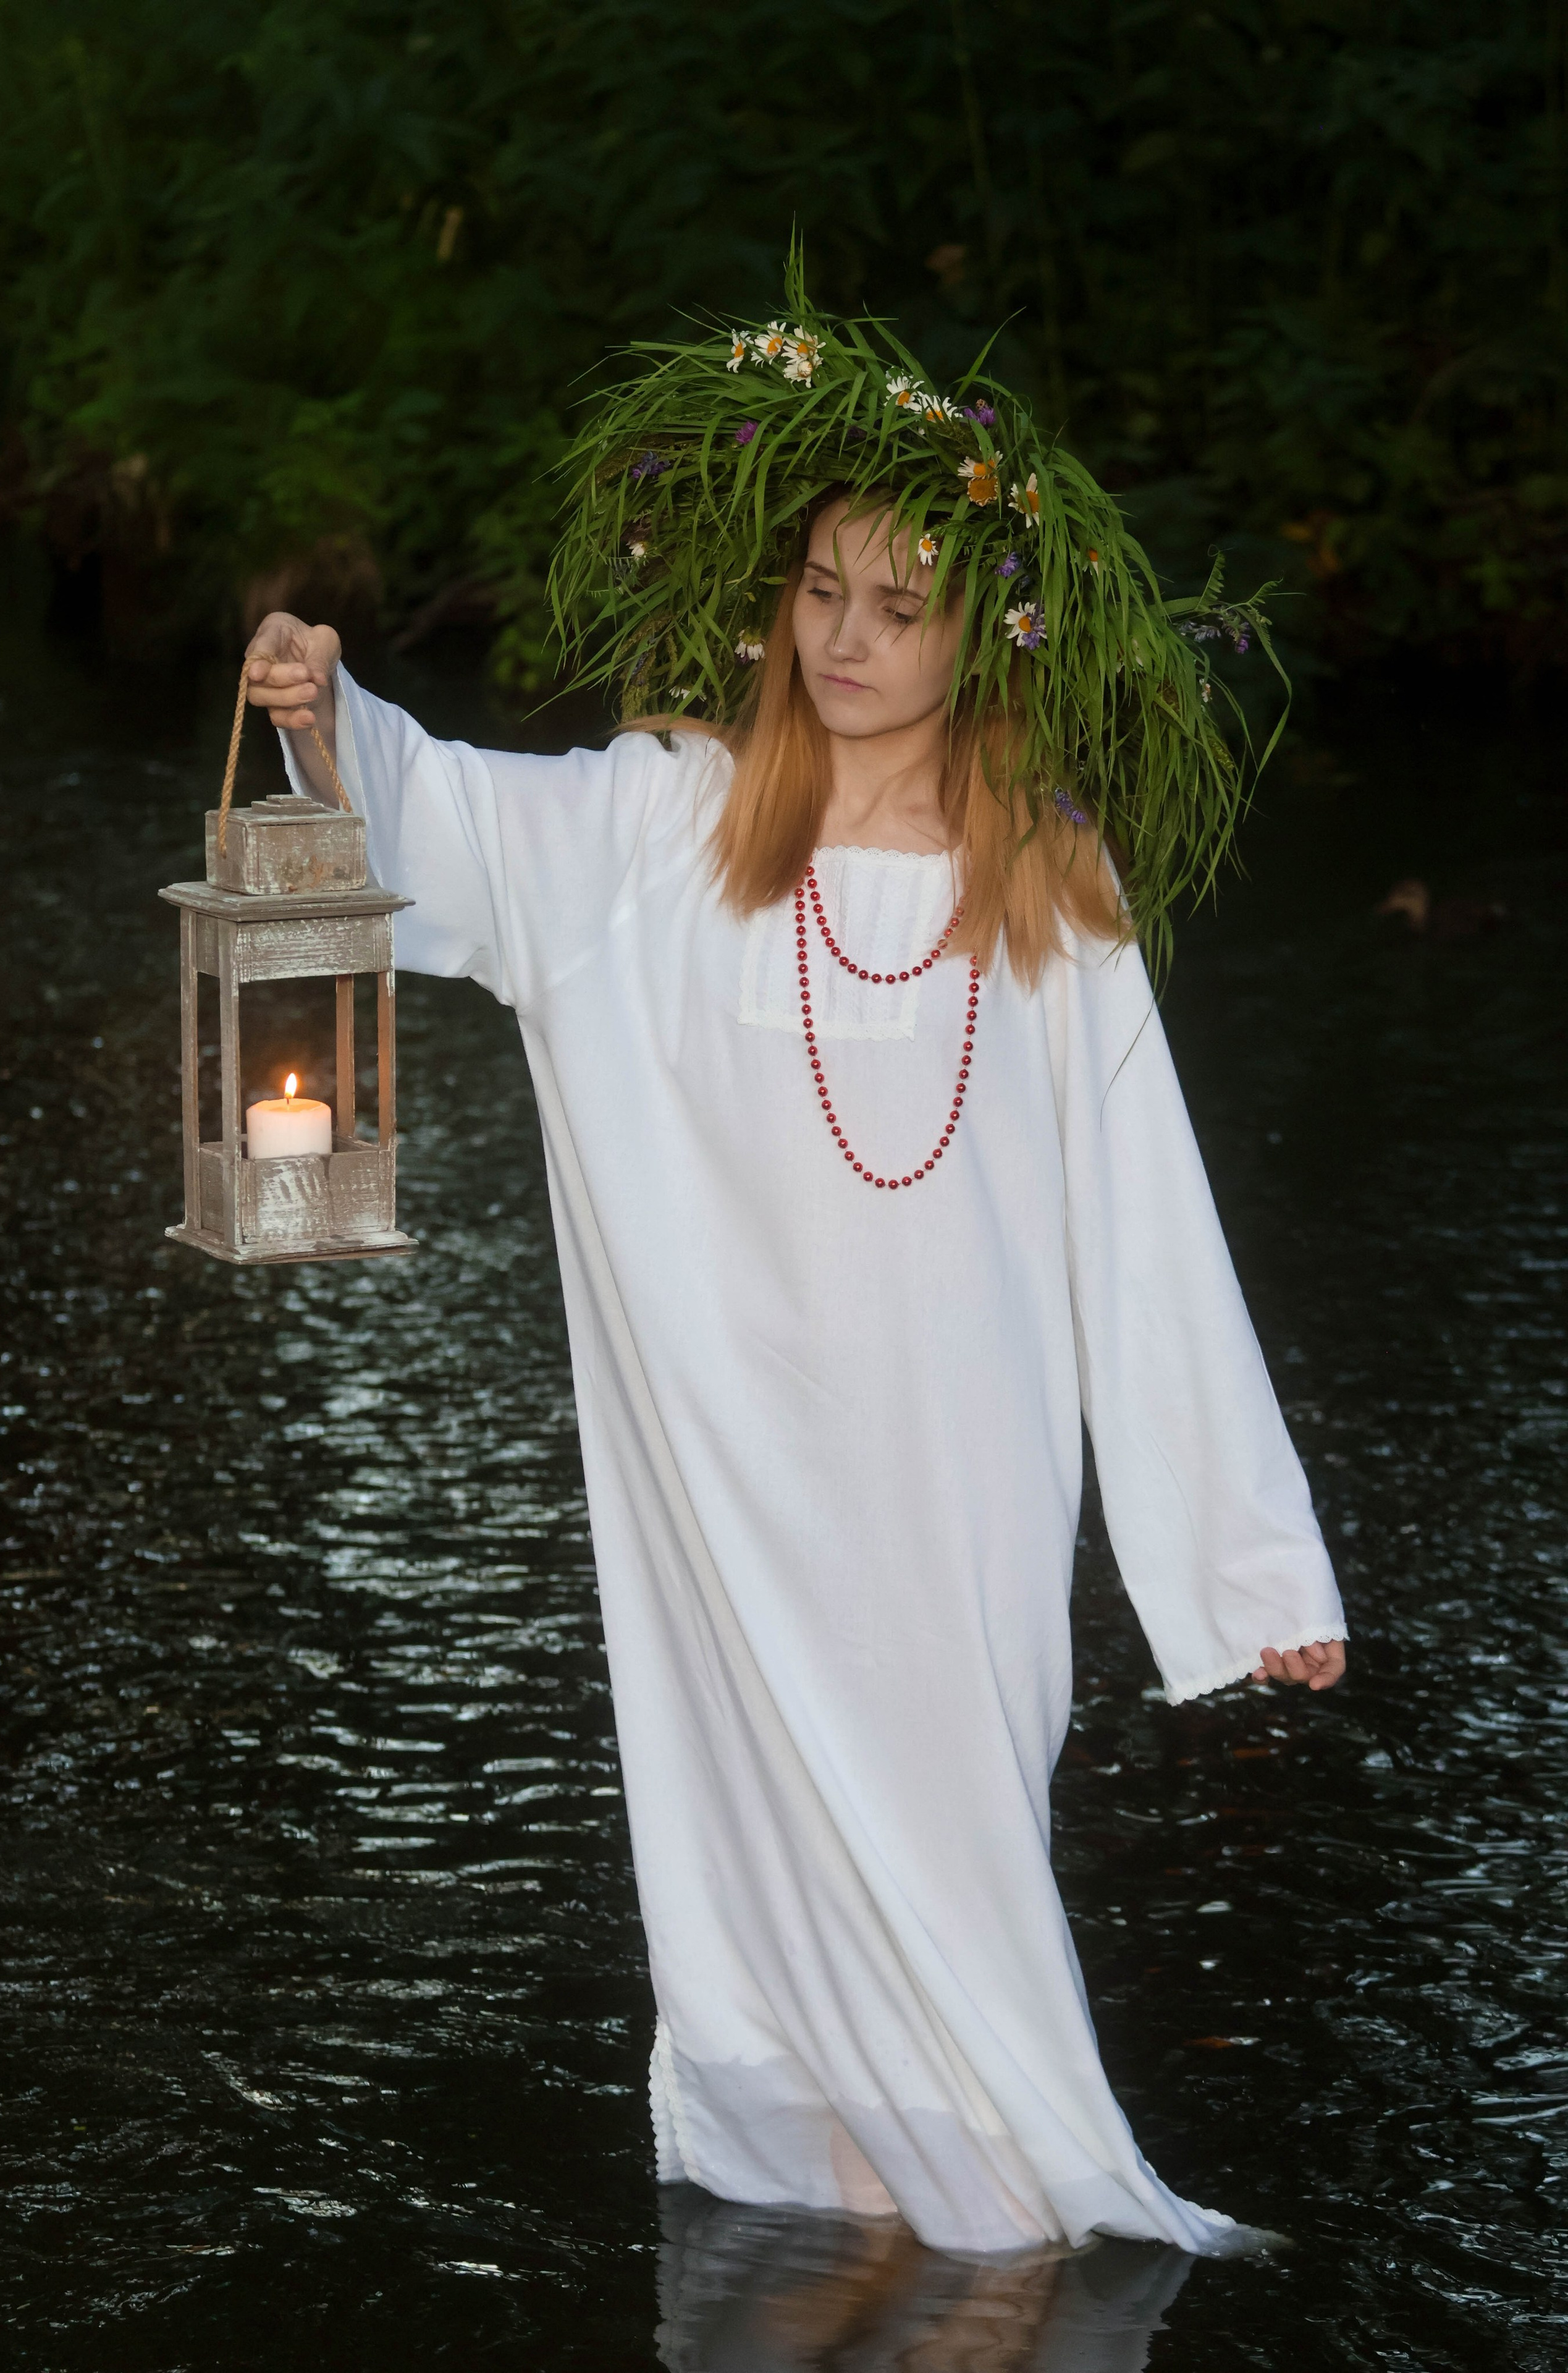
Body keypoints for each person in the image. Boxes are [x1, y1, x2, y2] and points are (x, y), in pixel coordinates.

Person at [243, 286, 1346, 2261]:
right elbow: (465, 822)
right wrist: (338, 720)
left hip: (965, 1486)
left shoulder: (1054, 885)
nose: (842, 642)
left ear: (986, 630)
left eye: (895, 606)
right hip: (740, 1475)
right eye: (819, 592)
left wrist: (1246, 1569)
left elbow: (1148, 1232)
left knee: (960, 1851)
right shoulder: (673, 827)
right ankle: (836, 2232)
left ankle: (999, 2232)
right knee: (756, 1859)